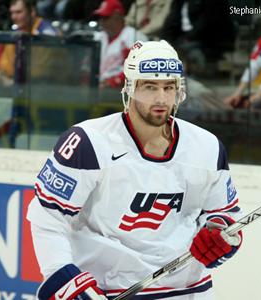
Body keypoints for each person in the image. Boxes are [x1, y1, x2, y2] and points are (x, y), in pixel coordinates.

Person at [27, 40, 243, 299]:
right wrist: (62, 277)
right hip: (109, 290)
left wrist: (221, 233)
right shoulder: (88, 142)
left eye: (169, 87)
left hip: (190, 290)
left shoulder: (207, 146)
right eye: (150, 86)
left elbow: (225, 214)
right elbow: (48, 218)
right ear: (129, 87)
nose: (161, 98)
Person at [0, 0, 61, 87]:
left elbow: (40, 75)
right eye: (12, 13)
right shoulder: (17, 32)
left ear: (32, 12)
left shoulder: (46, 34)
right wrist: (0, 74)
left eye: (18, 12)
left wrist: (12, 82)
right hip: (20, 87)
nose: (13, 17)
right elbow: (6, 65)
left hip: (50, 90)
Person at [92, 0, 148, 90]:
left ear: (117, 16)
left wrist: (114, 81)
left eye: (106, 17)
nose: (102, 22)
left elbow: (139, 67)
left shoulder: (135, 37)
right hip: (96, 88)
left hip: (122, 91)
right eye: (100, 18)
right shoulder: (99, 37)